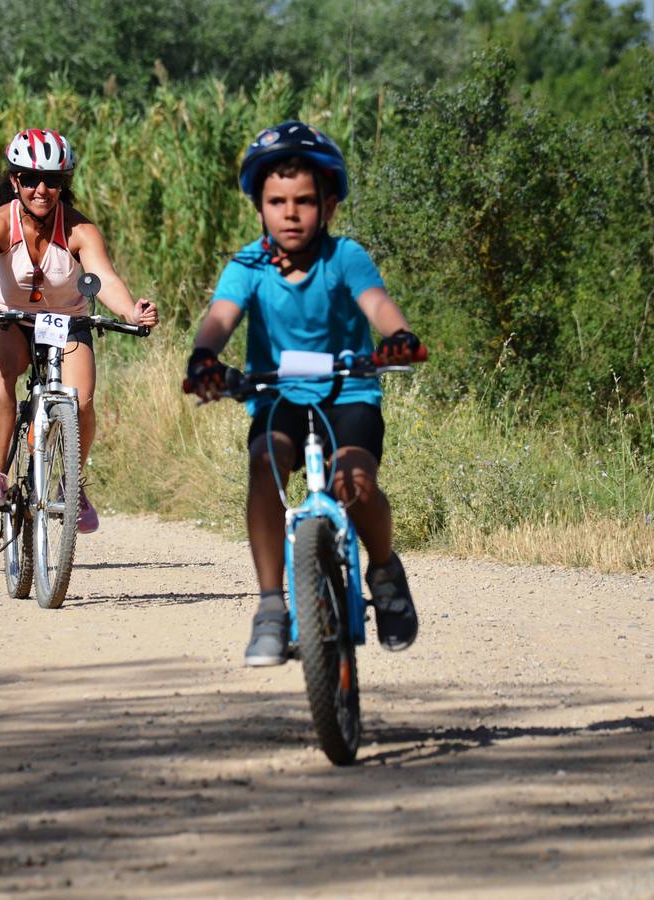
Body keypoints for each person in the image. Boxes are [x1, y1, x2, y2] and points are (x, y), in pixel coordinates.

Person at [183, 120, 423, 666]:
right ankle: (271, 606)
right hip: (277, 396)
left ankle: (383, 571)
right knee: (267, 464)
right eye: (277, 201)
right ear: (260, 207)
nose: (291, 213)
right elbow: (221, 316)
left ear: (330, 206)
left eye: (305, 201)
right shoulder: (248, 264)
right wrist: (204, 358)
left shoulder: (346, 258)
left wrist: (398, 337)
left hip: (349, 391)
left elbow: (378, 304)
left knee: (355, 482)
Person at [0, 128, 157, 534]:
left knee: (80, 402)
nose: (41, 189)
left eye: (53, 181)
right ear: (15, 182)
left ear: (64, 184)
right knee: (0, 372)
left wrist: (132, 310)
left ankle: (71, 484)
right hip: (7, 318)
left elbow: (106, 278)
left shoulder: (80, 230)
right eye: (29, 179)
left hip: (67, 322)